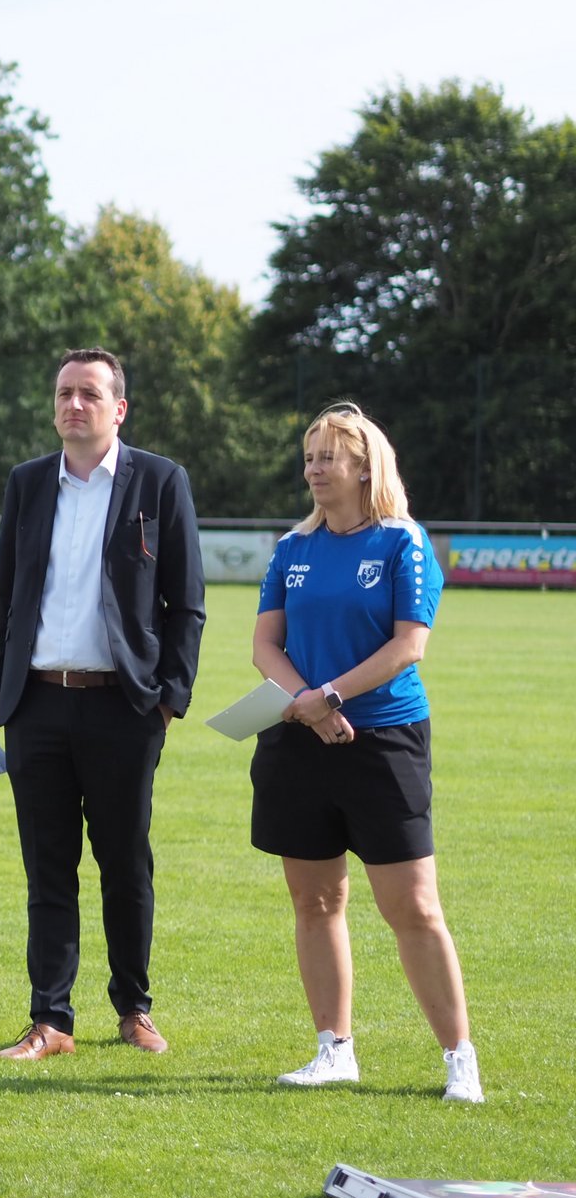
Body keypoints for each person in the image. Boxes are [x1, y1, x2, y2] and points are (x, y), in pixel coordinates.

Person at [0, 348, 204, 1060]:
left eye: (90, 394)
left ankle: (135, 1009)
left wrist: (169, 703)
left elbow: (186, 605)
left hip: (123, 709)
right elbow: (5, 595)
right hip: (35, 706)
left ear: (118, 408)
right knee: (48, 870)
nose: (75, 405)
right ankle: (52, 1021)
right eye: (66, 393)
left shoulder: (160, 482)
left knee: (125, 866)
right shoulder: (28, 483)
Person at [248, 403, 481, 1102]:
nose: (315, 469)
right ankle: (333, 1050)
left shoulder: (402, 542)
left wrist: (331, 697)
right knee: (315, 900)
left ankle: (458, 1058)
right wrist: (306, 702)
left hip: (382, 741)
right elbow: (264, 645)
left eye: (328, 457)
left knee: (412, 906)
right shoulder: (293, 548)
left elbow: (408, 645)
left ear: (363, 466)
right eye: (309, 457)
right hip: (301, 738)